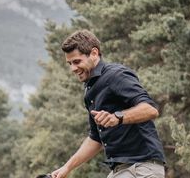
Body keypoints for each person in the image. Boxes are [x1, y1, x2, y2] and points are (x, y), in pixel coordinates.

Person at [50, 30, 165, 178]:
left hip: (141, 168)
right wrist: (66, 168)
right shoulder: (90, 90)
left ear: (94, 53)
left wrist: (118, 117)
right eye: (70, 63)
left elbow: (150, 109)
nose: (73, 68)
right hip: (121, 170)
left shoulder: (115, 75)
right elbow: (95, 138)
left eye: (77, 61)